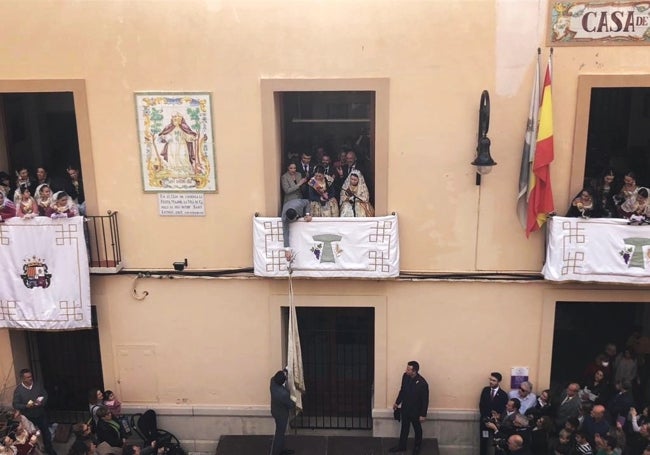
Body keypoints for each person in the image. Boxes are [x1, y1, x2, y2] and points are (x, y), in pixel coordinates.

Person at [12, 369, 56, 455]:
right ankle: (34, 451)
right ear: (23, 379)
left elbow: (45, 395)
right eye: (28, 377)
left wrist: (41, 402)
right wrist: (25, 406)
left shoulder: (37, 385)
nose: (30, 378)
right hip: (28, 417)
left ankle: (49, 449)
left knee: (46, 433)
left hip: (40, 414)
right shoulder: (18, 390)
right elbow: (15, 404)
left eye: (31, 376)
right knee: (31, 435)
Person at [389, 361, 429, 455]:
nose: (406, 370)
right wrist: (397, 402)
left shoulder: (422, 383)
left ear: (414, 371)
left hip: (415, 411)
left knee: (417, 429)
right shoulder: (405, 376)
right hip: (405, 408)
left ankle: (417, 447)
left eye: (408, 369)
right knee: (404, 428)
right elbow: (402, 390)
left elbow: (425, 400)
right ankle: (402, 446)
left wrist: (423, 415)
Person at [479, 372, 509, 455]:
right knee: (483, 442)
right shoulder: (485, 390)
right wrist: (485, 418)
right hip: (485, 421)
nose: (491, 382)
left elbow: (503, 409)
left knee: (497, 442)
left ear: (498, 382)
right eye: (490, 379)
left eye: (494, 380)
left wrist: (496, 417)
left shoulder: (503, 394)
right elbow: (481, 405)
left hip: (496, 423)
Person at [269, 370, 295, 455]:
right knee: (280, 434)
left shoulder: (272, 381)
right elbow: (291, 405)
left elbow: (277, 377)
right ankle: (276, 452)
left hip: (275, 411)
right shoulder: (283, 394)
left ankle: (279, 449)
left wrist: (284, 372)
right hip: (281, 415)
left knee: (279, 432)